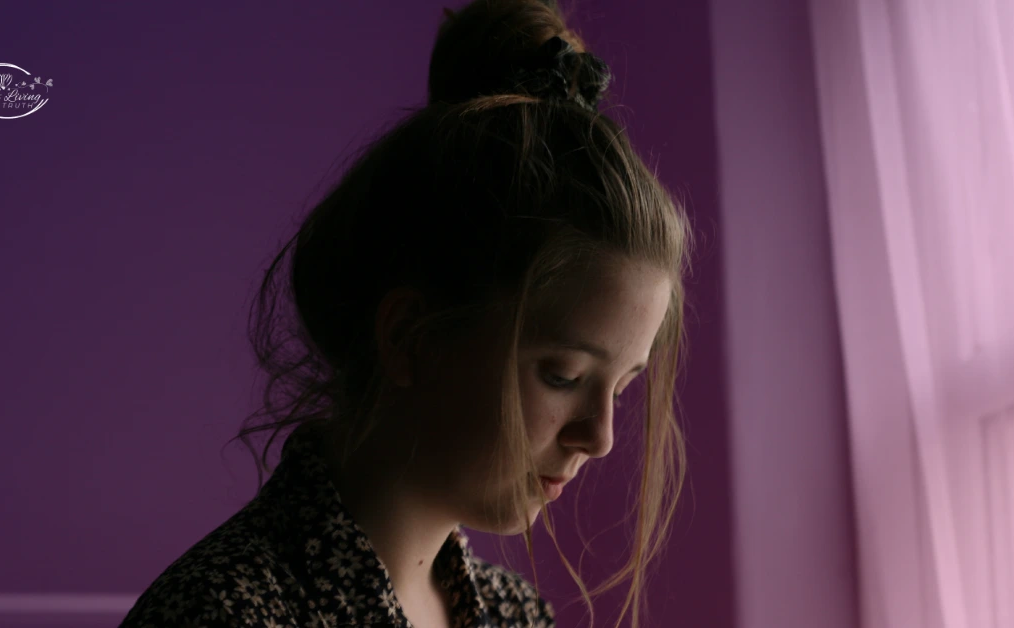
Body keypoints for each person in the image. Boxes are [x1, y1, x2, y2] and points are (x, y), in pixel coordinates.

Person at [119, 0, 694, 626]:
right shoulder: (221, 614)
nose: (600, 438)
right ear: (412, 338)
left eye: (626, 384)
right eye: (562, 375)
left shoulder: (516, 615)